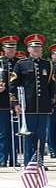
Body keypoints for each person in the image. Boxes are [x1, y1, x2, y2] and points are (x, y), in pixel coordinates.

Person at [10, 34, 56, 167]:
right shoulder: (21, 64)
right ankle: (28, 162)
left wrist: (51, 103)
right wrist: (15, 103)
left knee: (41, 136)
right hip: (27, 106)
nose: (36, 49)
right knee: (28, 135)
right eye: (33, 47)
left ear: (42, 49)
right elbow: (13, 85)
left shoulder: (48, 64)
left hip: (43, 106)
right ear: (28, 49)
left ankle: (39, 162)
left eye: (39, 47)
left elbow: (52, 86)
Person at [0, 35, 18, 168]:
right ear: (3, 48)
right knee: (3, 133)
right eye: (8, 47)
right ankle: (2, 158)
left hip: (16, 102)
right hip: (2, 101)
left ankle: (14, 158)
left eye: (13, 47)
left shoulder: (20, 63)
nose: (11, 50)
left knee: (16, 133)